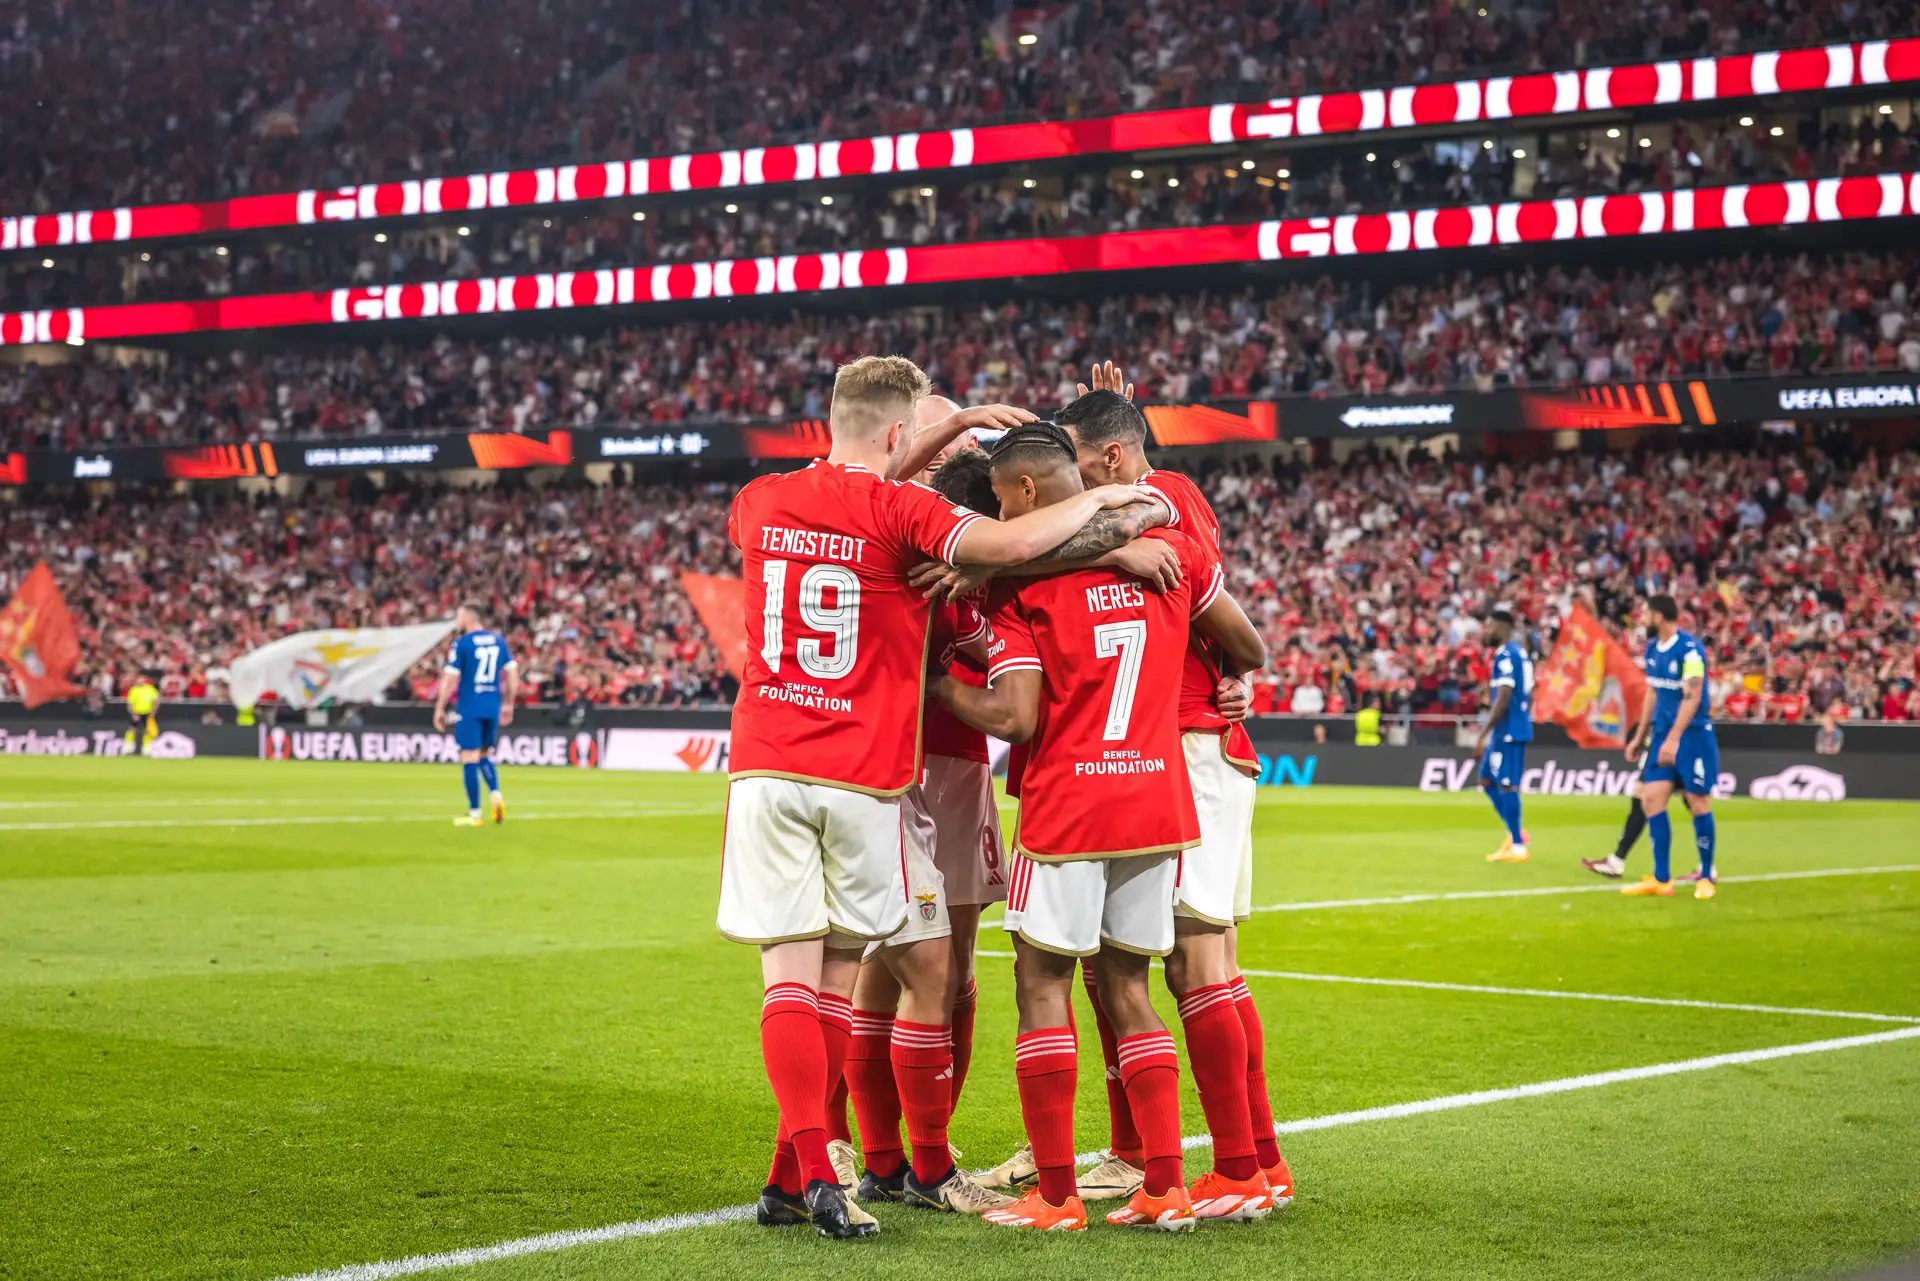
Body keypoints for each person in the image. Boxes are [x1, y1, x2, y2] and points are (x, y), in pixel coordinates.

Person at [719, 356, 1150, 1240]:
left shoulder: (758, 502)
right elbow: (1018, 542)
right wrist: (1119, 505)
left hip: (765, 762)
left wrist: (948, 428)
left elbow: (857, 483)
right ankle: (862, 1167)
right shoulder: (906, 517)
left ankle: (801, 1170)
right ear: (897, 435)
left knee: (803, 981)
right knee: (868, 975)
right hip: (867, 775)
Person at [933, 422, 1270, 1233]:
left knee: (1041, 982)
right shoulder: (1174, 556)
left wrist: (936, 692)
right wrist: (1228, 680)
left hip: (1067, 809)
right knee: (1131, 986)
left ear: (1019, 495)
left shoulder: (1019, 589)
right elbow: (1245, 644)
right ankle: (1165, 1184)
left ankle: (1055, 1196)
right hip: (1158, 803)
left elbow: (1014, 716)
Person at [1619, 594, 1720, 900]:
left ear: (1659, 617)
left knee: (1698, 801)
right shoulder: (1651, 649)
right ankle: (1662, 879)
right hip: (1662, 735)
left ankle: (1706, 875)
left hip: (1692, 736)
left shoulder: (1690, 650)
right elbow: (1652, 693)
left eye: (1645, 614)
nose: (1642, 619)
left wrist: (1675, 738)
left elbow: (1692, 696)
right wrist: (1640, 736)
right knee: (1651, 800)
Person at [433, 602, 518, 826]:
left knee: (468, 757)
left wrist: (440, 707)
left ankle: (475, 815)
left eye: (459, 617)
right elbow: (512, 672)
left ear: (469, 619)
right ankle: (495, 794)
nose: (457, 621)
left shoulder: (462, 644)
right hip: (492, 706)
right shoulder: (498, 642)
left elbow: (450, 678)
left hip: (470, 706)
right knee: (483, 754)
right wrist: (509, 703)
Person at [1475, 610, 1534, 864]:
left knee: (1507, 783)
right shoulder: (1515, 652)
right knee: (1486, 779)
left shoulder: (1508, 656)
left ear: (1501, 627)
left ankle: (1518, 846)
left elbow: (1505, 695)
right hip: (1507, 728)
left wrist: (1483, 732)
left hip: (1508, 729)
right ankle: (1515, 832)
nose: (1485, 632)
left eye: (1489, 627)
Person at [125, 671, 160, 756]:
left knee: (147, 731)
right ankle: (128, 747)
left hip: (147, 713)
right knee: (132, 729)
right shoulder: (134, 690)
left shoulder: (150, 689)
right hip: (136, 712)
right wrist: (133, 714)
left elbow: (156, 701)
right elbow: (130, 703)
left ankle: (146, 749)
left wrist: (153, 712)